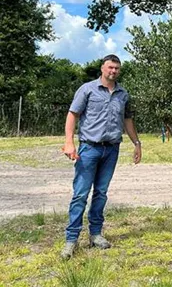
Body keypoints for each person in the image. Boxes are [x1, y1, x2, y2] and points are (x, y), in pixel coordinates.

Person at [61, 54, 142, 259]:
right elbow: (73, 114)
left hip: (111, 149)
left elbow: (128, 119)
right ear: (102, 68)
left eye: (117, 68)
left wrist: (137, 143)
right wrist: (69, 142)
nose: (113, 71)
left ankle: (95, 234)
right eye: (110, 67)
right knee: (80, 194)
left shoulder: (123, 94)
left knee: (101, 193)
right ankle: (71, 240)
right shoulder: (87, 89)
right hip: (89, 149)